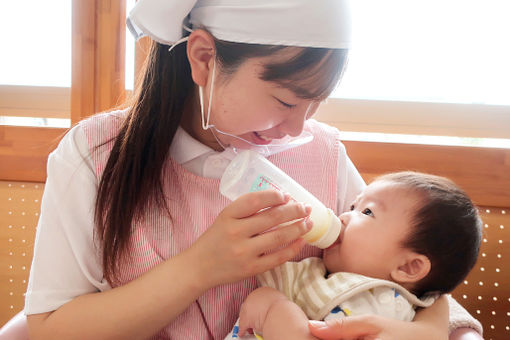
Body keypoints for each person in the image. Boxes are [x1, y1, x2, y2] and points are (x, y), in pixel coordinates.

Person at [18, 1, 483, 339]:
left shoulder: (319, 151)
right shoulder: (96, 155)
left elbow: (409, 268)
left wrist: (434, 331)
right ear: (204, 58)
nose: (299, 126)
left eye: (314, 104)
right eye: (285, 100)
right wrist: (198, 269)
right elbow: (48, 328)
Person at [225, 172, 482, 340]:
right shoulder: (313, 274)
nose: (344, 215)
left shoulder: (384, 302)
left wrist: (274, 309)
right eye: (352, 206)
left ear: (408, 267)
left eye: (367, 212)